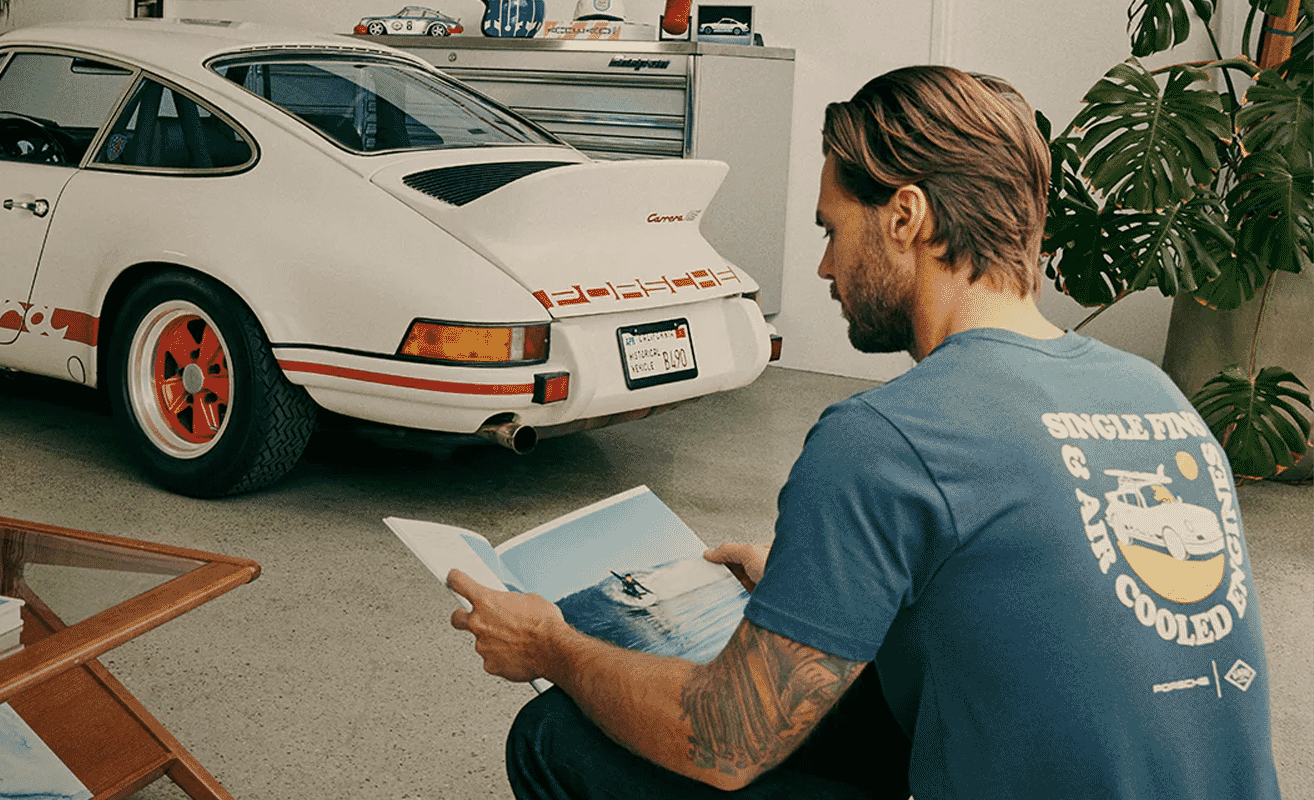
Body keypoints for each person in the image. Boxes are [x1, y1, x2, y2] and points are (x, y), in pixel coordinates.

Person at [448, 66, 1280, 799]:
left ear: (905, 216)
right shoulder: (1153, 393)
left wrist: (551, 644)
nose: (823, 267)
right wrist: (822, 586)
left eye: (830, 228)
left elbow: (725, 741)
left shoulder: (888, 435)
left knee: (558, 738)